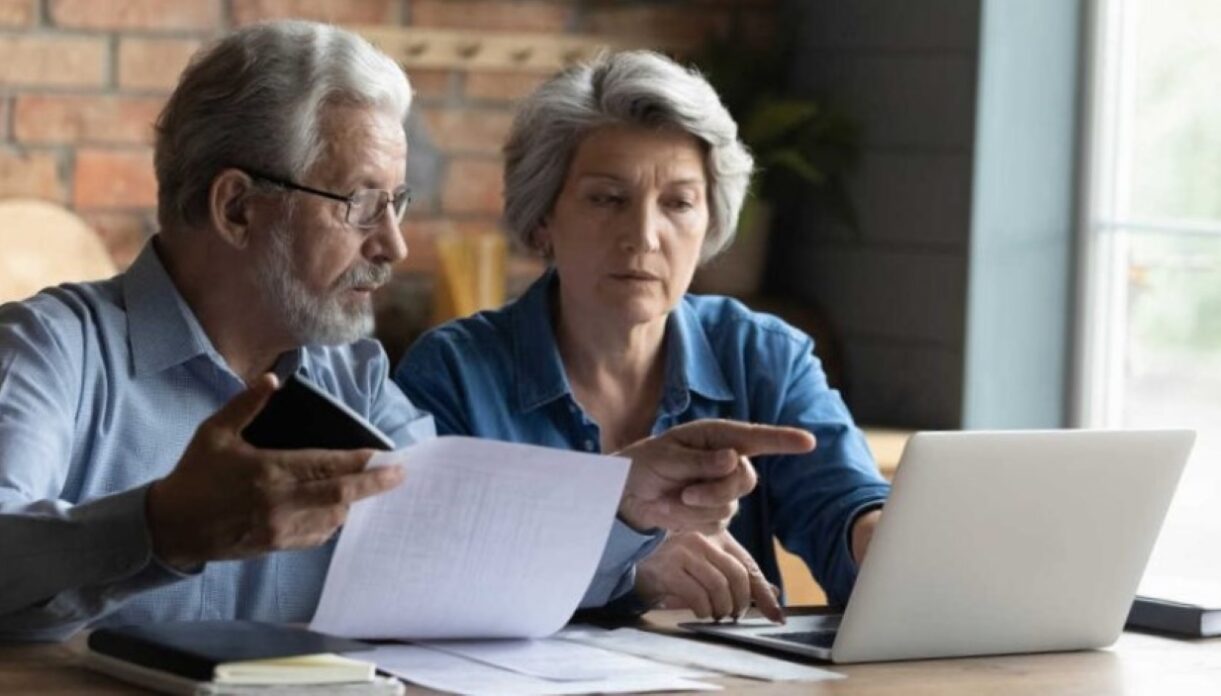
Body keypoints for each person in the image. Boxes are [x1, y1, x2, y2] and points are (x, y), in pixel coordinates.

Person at [0, 23, 810, 642]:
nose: (391, 246)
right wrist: (161, 526)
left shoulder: (349, 375)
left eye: (397, 204)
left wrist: (618, 500)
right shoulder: (50, 352)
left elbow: (468, 549)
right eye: (359, 204)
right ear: (238, 207)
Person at [395, 50, 891, 622]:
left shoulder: (763, 355)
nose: (644, 235)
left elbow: (845, 507)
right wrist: (622, 561)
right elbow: (423, 572)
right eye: (607, 199)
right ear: (542, 220)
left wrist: (880, 543)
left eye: (678, 203)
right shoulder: (451, 374)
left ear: (710, 224)